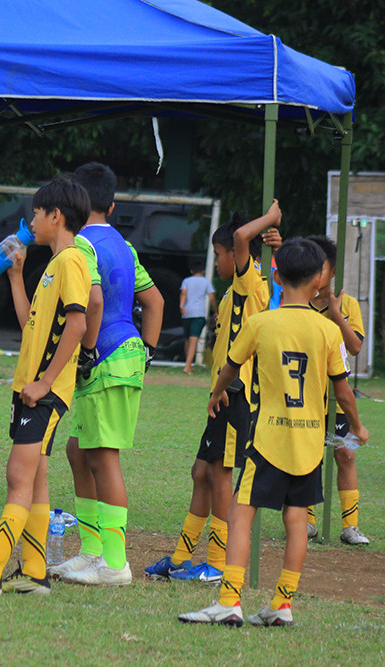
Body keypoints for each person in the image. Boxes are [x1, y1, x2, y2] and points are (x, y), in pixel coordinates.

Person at [179, 238, 368, 627]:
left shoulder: (261, 322)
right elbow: (343, 390)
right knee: (297, 520)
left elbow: (230, 368)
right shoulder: (327, 330)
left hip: (267, 439)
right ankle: (282, 604)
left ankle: (230, 601)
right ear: (320, 279)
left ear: (277, 276)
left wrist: (216, 395)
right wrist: (359, 426)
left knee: (240, 513)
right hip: (309, 443)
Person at [0, 176, 91, 598]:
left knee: (18, 477)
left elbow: (79, 324)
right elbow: (32, 322)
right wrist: (15, 276)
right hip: (30, 387)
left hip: (44, 392)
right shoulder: (53, 264)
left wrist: (46, 381)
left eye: (35, 212)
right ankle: (33, 571)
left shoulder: (72, 262)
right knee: (37, 479)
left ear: (55, 216)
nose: (31, 220)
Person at [145, 203, 282, 583]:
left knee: (220, 475)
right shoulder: (231, 295)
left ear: (239, 257)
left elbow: (241, 236)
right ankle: (180, 558)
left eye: (219, 255)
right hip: (221, 395)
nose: (218, 261)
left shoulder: (249, 283)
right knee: (200, 472)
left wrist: (270, 219)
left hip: (236, 397)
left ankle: (218, 563)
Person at [51, 162, 164, 587]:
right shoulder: (124, 245)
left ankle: (115, 563)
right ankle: (93, 550)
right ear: (113, 205)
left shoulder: (80, 246)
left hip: (103, 357)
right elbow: (154, 301)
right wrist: (147, 352)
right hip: (125, 353)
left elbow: (93, 303)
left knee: (103, 456)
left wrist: (87, 352)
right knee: (79, 451)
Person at [305, 235, 368, 545]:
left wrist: (336, 313)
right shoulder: (300, 304)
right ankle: (307, 520)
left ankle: (350, 526)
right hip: (308, 397)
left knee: (346, 455)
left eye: (324, 267)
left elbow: (355, 347)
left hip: (339, 397)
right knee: (308, 458)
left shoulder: (349, 304)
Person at [181, 258, 216, 373]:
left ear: (191, 270)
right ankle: (187, 365)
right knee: (194, 338)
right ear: (203, 271)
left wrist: (181, 306)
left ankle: (188, 362)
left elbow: (183, 293)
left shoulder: (186, 281)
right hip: (198, 313)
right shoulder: (205, 282)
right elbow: (211, 297)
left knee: (187, 339)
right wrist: (216, 310)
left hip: (187, 313)